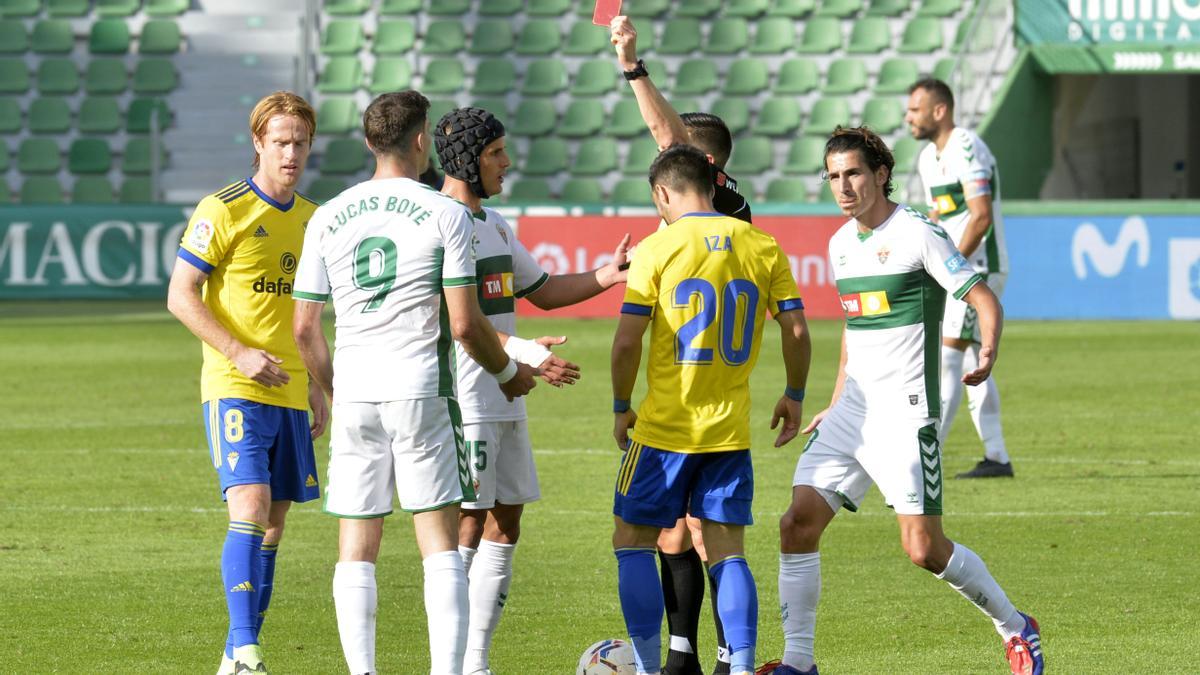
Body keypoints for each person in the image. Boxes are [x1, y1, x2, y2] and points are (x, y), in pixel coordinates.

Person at [763, 127, 1042, 675]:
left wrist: (987, 349)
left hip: (905, 414)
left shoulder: (918, 233)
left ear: (881, 174)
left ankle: (1015, 626)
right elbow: (854, 327)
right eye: (834, 176)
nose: (843, 186)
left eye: (854, 174)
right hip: (851, 413)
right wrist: (835, 398)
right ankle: (799, 662)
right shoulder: (841, 242)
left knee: (924, 549)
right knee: (796, 523)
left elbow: (981, 295)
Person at [290, 90, 537, 675]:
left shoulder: (327, 214)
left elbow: (304, 327)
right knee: (440, 546)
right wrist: (507, 373)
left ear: (370, 142)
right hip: (421, 389)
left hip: (355, 393)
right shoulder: (443, 212)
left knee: (357, 548)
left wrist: (333, 386)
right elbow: (463, 322)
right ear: (422, 139)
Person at [432, 106, 632, 675]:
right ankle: (451, 665)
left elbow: (540, 291)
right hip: (465, 397)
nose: (507, 162)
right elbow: (455, 322)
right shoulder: (438, 222)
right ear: (469, 158)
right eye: (496, 153)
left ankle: (476, 661)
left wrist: (608, 275)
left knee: (507, 517)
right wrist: (527, 354)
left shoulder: (493, 225)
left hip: (504, 392)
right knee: (468, 520)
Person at [611, 144, 813, 675]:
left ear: (662, 193)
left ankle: (645, 666)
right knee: (728, 553)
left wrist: (619, 406)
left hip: (663, 432)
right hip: (729, 434)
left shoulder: (658, 248)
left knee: (631, 540)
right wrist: (794, 393)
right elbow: (795, 328)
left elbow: (627, 342)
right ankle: (741, 668)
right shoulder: (762, 244)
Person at [609, 15, 755, 673]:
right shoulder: (694, 217)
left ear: (709, 166)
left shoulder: (726, 206)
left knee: (701, 533)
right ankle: (683, 653)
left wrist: (633, 67)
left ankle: (726, 657)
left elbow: (665, 133)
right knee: (675, 531)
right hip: (692, 399)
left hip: (696, 407)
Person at [167, 91, 324, 675]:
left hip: (290, 389)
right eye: (280, 142)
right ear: (258, 142)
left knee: (275, 526)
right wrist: (238, 350)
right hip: (235, 382)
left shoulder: (313, 219)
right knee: (251, 505)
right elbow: (180, 295)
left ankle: (236, 656)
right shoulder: (223, 208)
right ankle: (249, 648)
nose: (290, 153)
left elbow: (308, 317)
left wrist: (317, 386)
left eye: (300, 143)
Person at [906, 78, 1014, 479]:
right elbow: (941, 216)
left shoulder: (966, 147)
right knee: (972, 361)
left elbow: (980, 216)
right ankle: (997, 457)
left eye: (915, 110)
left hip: (978, 267)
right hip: (961, 269)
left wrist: (950, 268)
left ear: (940, 111)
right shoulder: (928, 159)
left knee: (949, 356)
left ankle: (926, 458)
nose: (908, 118)